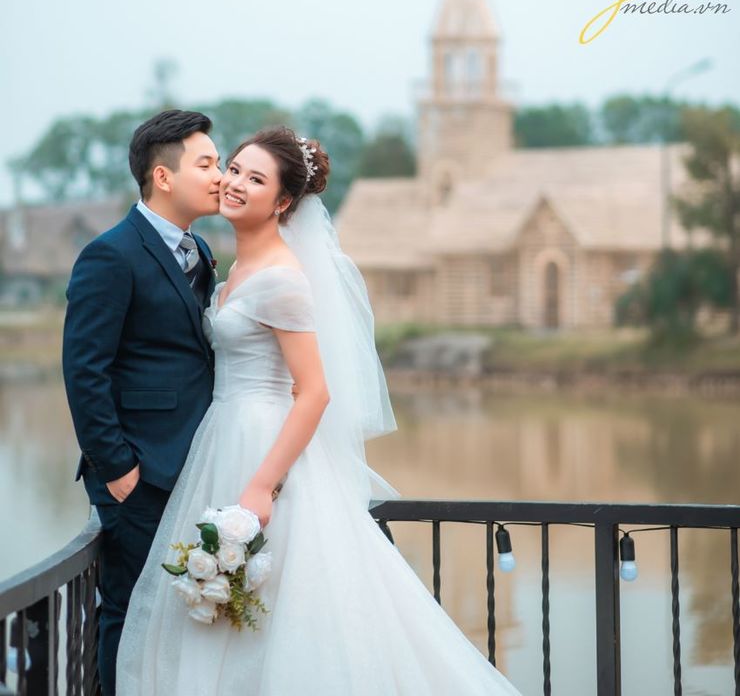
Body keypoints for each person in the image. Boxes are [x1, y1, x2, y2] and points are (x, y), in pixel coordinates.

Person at [116, 126, 521, 695]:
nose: (234, 183)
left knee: (286, 605)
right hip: (222, 438)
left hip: (263, 447)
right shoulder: (229, 271)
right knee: (225, 610)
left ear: (283, 202)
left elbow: (314, 393)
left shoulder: (282, 279)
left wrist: (261, 487)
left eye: (256, 179)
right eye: (235, 169)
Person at [62, 109, 222, 695]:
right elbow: (85, 369)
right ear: (163, 176)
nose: (220, 175)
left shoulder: (200, 249)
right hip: (139, 472)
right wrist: (117, 468)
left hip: (195, 465)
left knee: (186, 612)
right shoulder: (111, 254)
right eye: (206, 164)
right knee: (130, 612)